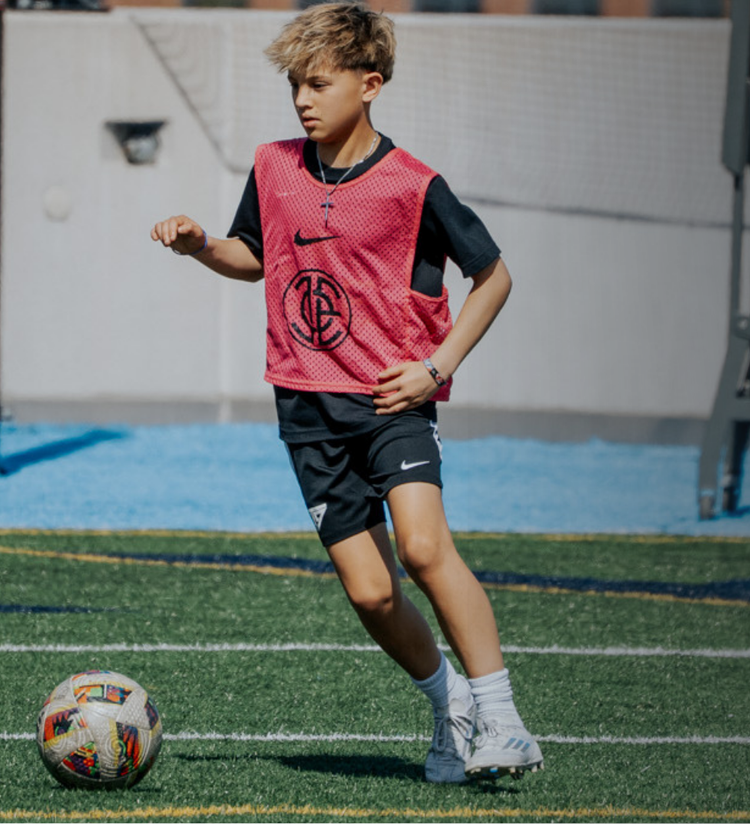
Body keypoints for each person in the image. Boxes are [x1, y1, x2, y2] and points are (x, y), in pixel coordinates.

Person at [146, 2, 535, 783]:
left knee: (422, 548)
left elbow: (493, 277)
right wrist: (201, 246)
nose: (302, 100)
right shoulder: (273, 167)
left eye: (318, 84)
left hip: (393, 402)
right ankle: (450, 706)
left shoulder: (414, 185)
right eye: (295, 85)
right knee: (370, 595)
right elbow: (253, 255)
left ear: (371, 83)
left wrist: (435, 368)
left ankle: (505, 719)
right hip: (305, 407)